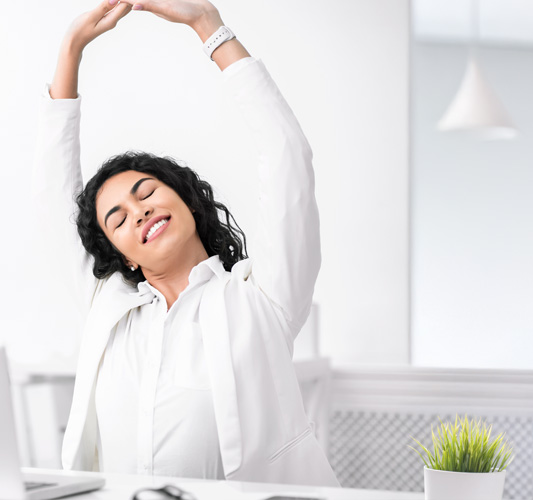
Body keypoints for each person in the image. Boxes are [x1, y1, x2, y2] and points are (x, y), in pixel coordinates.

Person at [33, 0, 339, 487]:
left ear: (187, 199)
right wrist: (70, 50)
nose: (140, 213)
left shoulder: (261, 301)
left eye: (147, 193)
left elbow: (288, 159)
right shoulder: (106, 308)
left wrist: (208, 27)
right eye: (118, 219)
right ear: (119, 255)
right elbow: (55, 203)